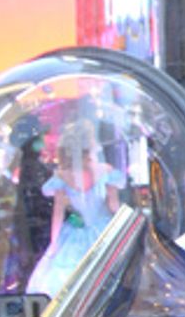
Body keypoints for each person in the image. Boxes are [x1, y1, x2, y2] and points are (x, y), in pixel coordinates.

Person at [27, 120, 124, 299]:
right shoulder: (105, 171)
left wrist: (55, 244)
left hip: (74, 234)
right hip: (104, 229)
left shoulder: (62, 176)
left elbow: (58, 214)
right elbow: (113, 207)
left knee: (66, 279)